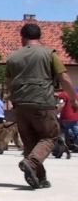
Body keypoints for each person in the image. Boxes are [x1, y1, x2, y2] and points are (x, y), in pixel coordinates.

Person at [6, 23, 78, 189]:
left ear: (22, 37)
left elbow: (10, 83)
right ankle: (31, 163)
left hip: (21, 105)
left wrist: (14, 100)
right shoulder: (49, 54)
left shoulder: (13, 58)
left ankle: (40, 178)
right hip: (42, 103)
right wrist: (73, 99)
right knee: (50, 136)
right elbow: (64, 78)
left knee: (30, 141)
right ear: (40, 37)